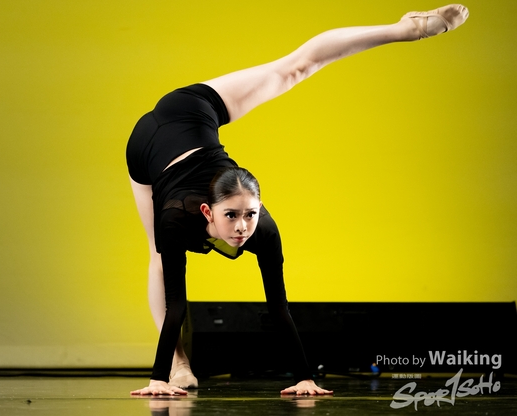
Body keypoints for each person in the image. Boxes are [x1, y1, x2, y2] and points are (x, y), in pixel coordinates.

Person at [127, 5, 469, 396]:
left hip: (196, 116)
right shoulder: (176, 218)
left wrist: (304, 377)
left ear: (259, 209)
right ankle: (179, 366)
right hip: (150, 145)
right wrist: (156, 379)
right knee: (159, 257)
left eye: (250, 215)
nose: (242, 227)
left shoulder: (262, 228)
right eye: (232, 216)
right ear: (208, 212)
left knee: (295, 69)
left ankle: (406, 29)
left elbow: (278, 306)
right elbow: (176, 305)